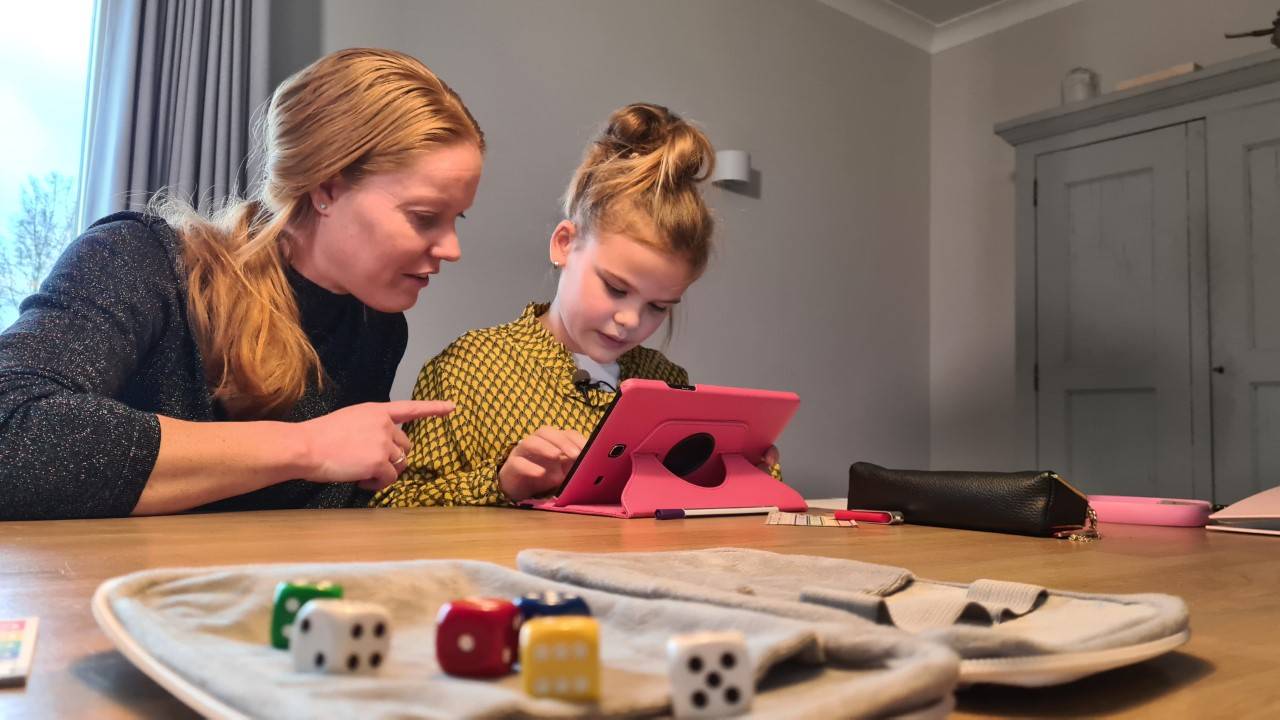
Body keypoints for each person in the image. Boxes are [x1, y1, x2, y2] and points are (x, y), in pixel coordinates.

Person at [0, 48, 484, 520]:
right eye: (424, 217)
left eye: (454, 219)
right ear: (326, 189)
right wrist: (306, 445)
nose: (452, 248)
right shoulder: (138, 260)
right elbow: (12, 433)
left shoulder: (374, 328)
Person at [373, 102, 780, 508]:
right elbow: (392, 507)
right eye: (615, 288)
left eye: (658, 307)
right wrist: (501, 484)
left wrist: (737, 478)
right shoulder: (467, 370)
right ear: (564, 244)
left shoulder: (668, 385)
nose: (629, 320)